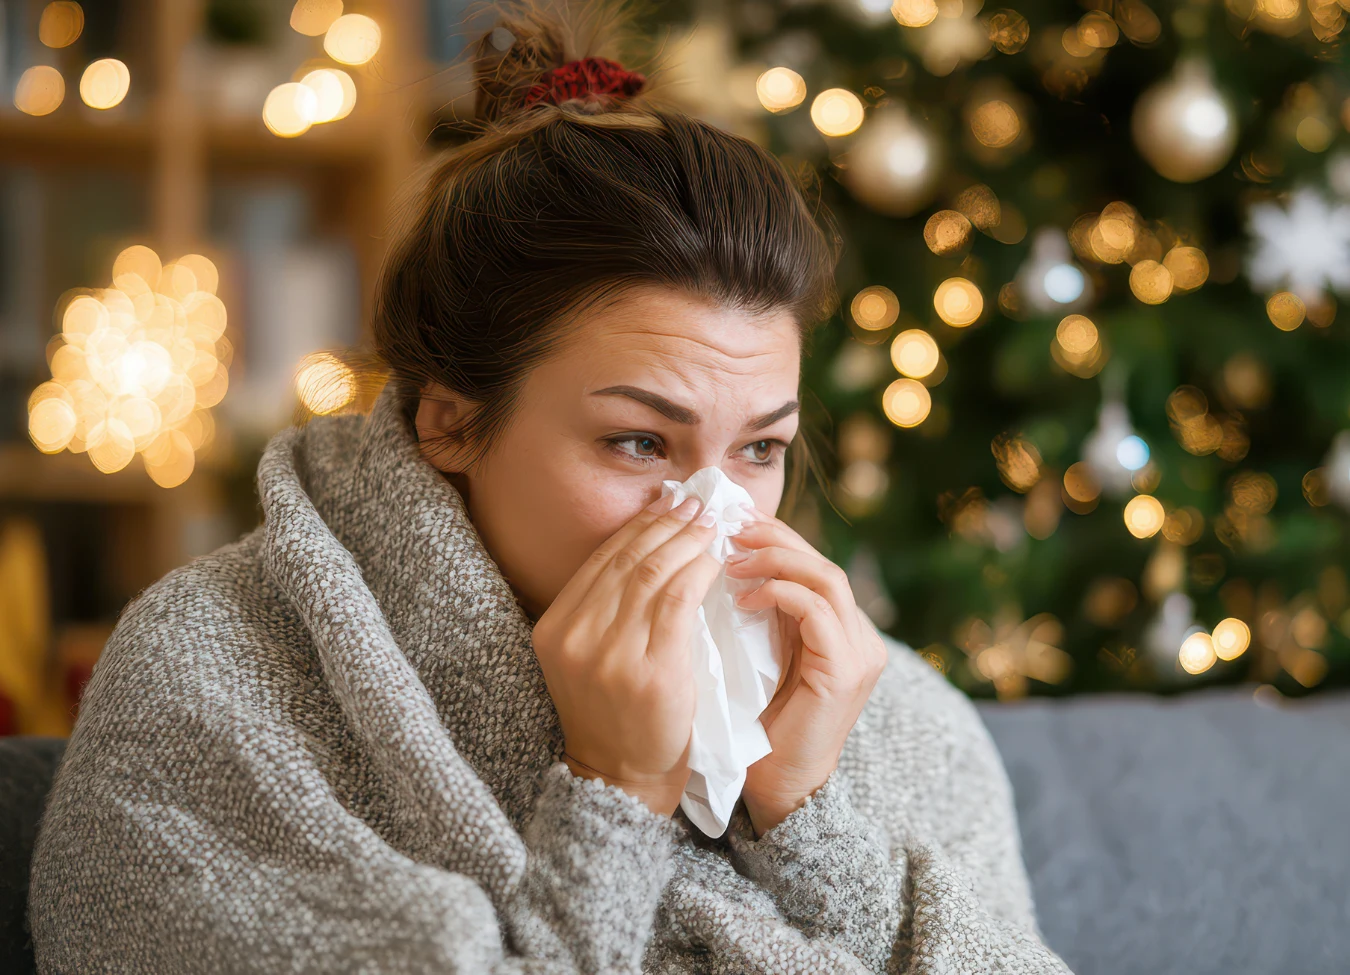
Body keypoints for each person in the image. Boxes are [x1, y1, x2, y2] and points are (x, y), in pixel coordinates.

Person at [28, 2, 1072, 972]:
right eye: (639, 443)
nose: (712, 517)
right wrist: (617, 796)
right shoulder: (214, 682)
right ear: (449, 419)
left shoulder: (897, 717)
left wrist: (805, 817)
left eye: (761, 449)